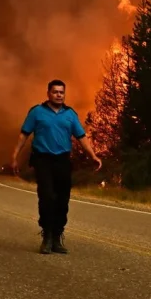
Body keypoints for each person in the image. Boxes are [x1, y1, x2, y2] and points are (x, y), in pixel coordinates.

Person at [12, 79, 101, 255]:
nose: (59, 95)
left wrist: (93, 155)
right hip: (42, 160)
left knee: (62, 200)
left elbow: (81, 137)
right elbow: (24, 135)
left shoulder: (70, 114)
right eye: (55, 92)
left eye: (61, 92)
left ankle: (57, 236)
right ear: (48, 93)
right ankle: (47, 236)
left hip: (62, 160)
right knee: (46, 197)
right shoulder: (37, 112)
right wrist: (14, 156)